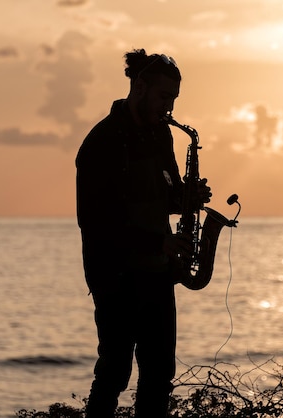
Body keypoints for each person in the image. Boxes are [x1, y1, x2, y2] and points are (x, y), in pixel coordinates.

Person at [75, 48, 211, 418]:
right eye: (164, 97)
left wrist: (187, 198)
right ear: (139, 87)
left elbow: (163, 195)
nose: (169, 108)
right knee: (114, 374)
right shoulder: (100, 143)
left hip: (156, 271)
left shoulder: (160, 136)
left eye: (174, 99)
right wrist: (160, 242)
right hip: (115, 276)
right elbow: (96, 222)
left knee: (158, 376)